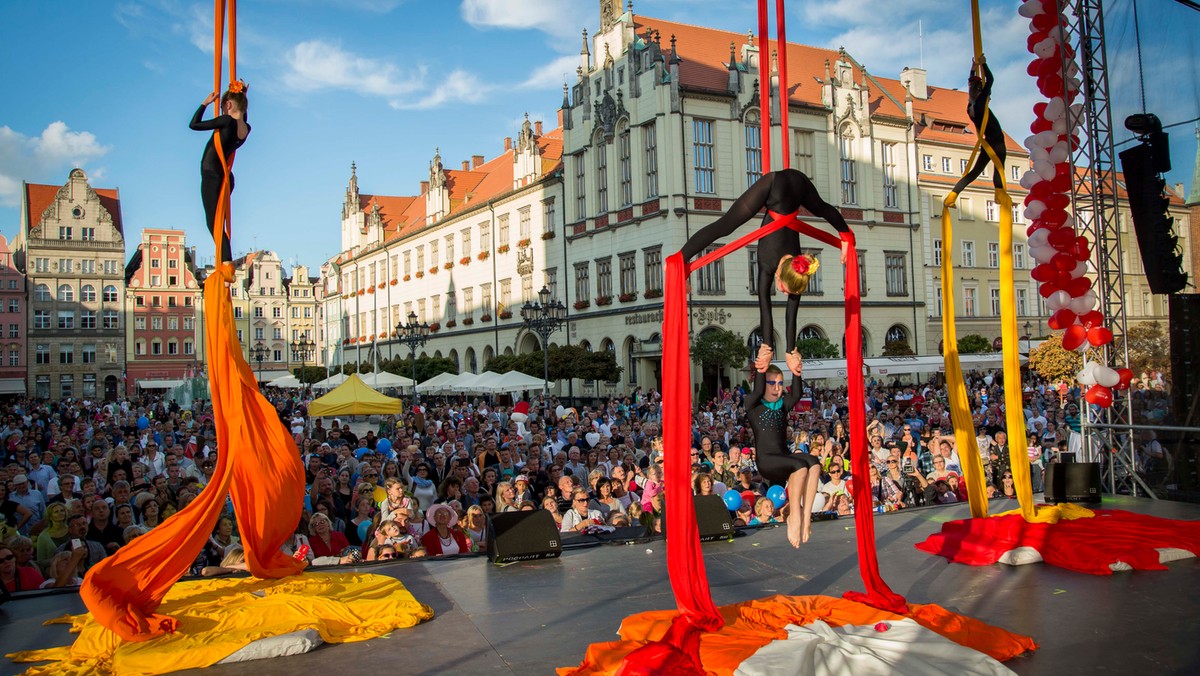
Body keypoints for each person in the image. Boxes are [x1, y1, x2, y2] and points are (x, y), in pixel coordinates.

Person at [680, 168, 851, 367]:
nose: (782, 291)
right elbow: (765, 304)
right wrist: (767, 345)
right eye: (783, 289)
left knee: (821, 207)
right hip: (774, 187)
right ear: (779, 275)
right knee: (726, 225)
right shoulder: (768, 262)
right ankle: (681, 257)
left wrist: (790, 350)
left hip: (799, 184)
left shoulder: (797, 273)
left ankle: (846, 232)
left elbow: (791, 311)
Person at [744, 353, 820, 548]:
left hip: (782, 456)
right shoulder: (753, 405)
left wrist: (796, 370)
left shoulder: (782, 405)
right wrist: (763, 362)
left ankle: (806, 516)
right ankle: (794, 515)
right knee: (800, 466)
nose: (777, 388)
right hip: (766, 460)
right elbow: (759, 386)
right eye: (772, 384)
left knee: (814, 463)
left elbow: (796, 393)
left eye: (780, 384)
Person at [190, 82, 250, 264]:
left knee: (213, 222)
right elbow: (243, 113)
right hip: (226, 176)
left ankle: (226, 261)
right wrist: (242, 95)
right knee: (219, 221)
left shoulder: (226, 121)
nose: (222, 109)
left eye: (223, 106)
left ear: (229, 105)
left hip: (212, 174)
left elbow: (194, 124)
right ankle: (226, 260)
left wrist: (205, 103)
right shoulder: (246, 128)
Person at [948, 56, 1006, 199]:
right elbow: (990, 80)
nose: (989, 98)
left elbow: (971, 85)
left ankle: (953, 194)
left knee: (975, 171)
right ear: (981, 92)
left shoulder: (970, 107)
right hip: (997, 141)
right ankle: (999, 194)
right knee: (999, 167)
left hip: (986, 143)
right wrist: (984, 64)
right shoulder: (980, 105)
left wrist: (973, 69)